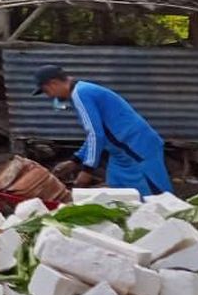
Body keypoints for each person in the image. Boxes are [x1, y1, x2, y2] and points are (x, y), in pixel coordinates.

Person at [33, 64, 173, 197]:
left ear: (53, 83)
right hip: (121, 154)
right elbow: (95, 135)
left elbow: (96, 134)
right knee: (119, 195)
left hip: (136, 150)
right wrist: (75, 160)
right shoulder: (82, 91)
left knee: (155, 198)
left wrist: (87, 170)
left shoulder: (80, 94)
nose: (50, 96)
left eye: (46, 91)